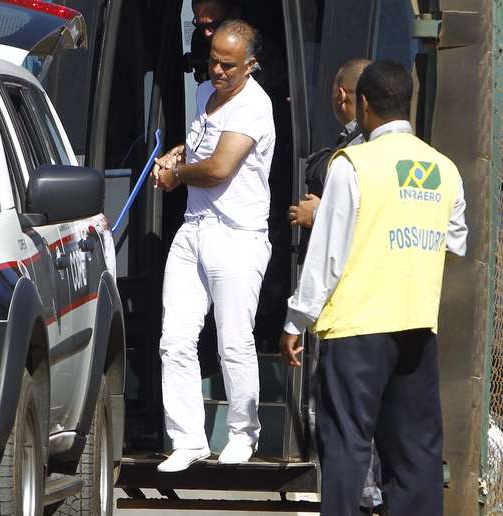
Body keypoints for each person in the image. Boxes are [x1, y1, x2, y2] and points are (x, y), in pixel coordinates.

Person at [280, 60, 468, 515]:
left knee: (347, 443)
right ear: (409, 103)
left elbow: (328, 253)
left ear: (363, 105)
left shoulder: (353, 165)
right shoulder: (443, 168)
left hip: (358, 327)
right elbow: (455, 241)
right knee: (417, 450)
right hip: (417, 324)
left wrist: (295, 320)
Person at [152, 19, 275, 473]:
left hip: (237, 236)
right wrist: (178, 154)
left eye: (228, 65)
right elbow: (204, 146)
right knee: (175, 339)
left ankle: (244, 433)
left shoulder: (255, 106)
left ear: (251, 66)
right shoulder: (206, 94)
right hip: (195, 227)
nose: (218, 71)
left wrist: (175, 175)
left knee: (233, 343)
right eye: (213, 62)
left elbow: (221, 167)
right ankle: (188, 439)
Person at [289, 58, 385, 515]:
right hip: (385, 306)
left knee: (341, 410)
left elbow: (355, 225)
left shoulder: (358, 155)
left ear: (344, 96)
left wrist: (318, 213)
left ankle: (362, 497)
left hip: (347, 304)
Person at [288, 58, 370, 229]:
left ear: (341, 95)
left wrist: (318, 213)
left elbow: (362, 210)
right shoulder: (360, 139)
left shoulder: (361, 146)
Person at [186, 0, 241, 83]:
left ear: (234, 15)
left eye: (214, 25)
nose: (206, 33)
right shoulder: (199, 39)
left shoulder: (255, 45)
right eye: (200, 26)